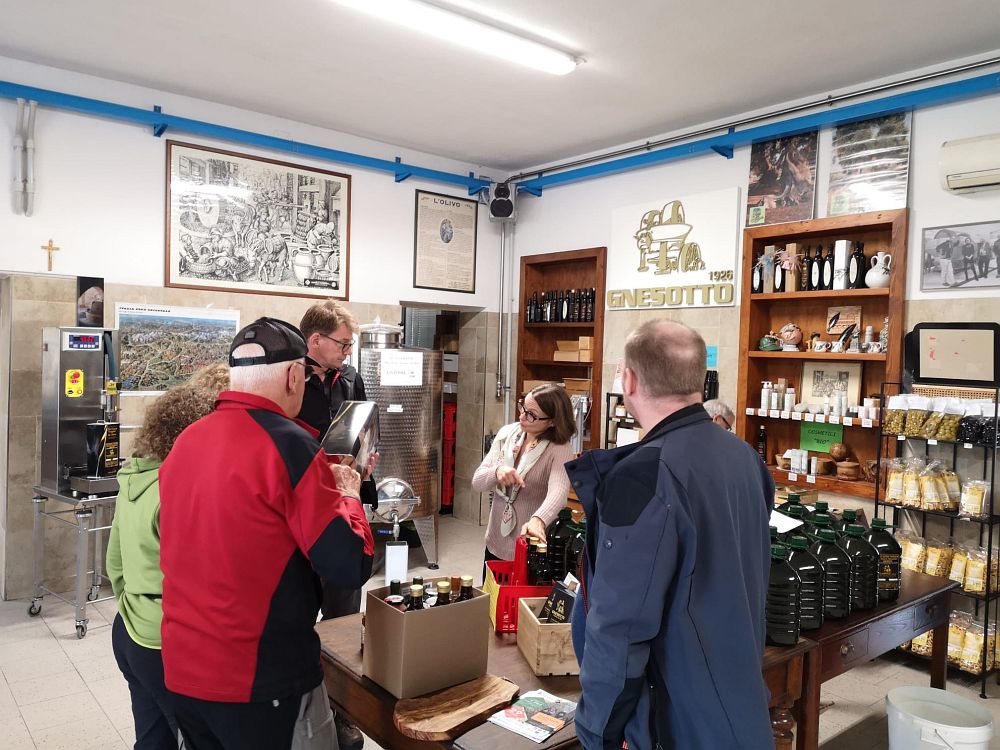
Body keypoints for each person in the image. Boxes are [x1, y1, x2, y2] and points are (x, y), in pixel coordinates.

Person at [159, 317, 373, 750]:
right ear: (294, 375)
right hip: (262, 680)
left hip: (183, 671)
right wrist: (348, 495)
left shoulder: (186, 441)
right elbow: (349, 564)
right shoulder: (289, 445)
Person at [568, 320, 774, 749]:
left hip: (676, 724)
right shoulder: (745, 458)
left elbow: (619, 627)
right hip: (740, 704)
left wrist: (596, 732)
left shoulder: (642, 477)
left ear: (629, 381)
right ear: (701, 380)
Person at [108, 383, 218, 750]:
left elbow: (115, 564)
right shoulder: (176, 491)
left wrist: (136, 607)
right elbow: (199, 578)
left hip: (128, 632)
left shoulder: (134, 480)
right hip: (165, 642)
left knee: (153, 740)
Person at [296, 300, 376, 749]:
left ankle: (342, 712)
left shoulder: (350, 378)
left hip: (343, 505)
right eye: (343, 344)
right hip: (302, 511)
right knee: (300, 611)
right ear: (315, 340)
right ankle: (304, 708)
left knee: (345, 614)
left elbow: (360, 429)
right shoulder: (290, 379)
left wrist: (365, 472)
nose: (348, 352)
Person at [472, 383, 576, 574]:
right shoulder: (508, 435)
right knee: (491, 590)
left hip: (529, 546)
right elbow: (478, 481)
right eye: (523, 407)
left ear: (552, 421)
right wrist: (497, 471)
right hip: (495, 541)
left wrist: (538, 520)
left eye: (531, 415)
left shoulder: (560, 449)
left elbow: (559, 492)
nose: (521, 416)